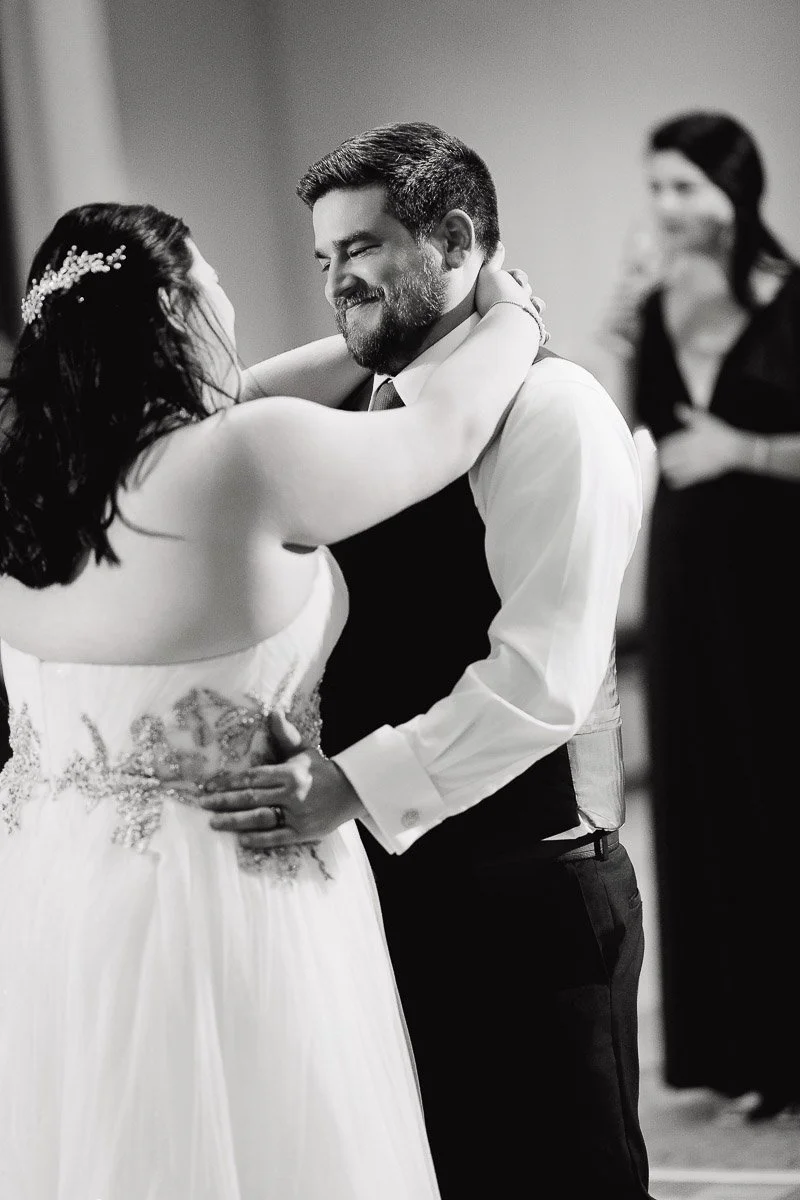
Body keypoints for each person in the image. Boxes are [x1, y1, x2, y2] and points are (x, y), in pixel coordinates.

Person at [0, 199, 547, 1197]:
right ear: (174, 302)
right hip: (232, 884)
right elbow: (447, 426)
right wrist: (507, 312)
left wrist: (379, 336)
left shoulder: (39, 475)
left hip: (59, 897)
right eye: (207, 275)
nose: (226, 291)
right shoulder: (245, 459)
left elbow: (240, 391)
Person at [201, 122, 649, 1199]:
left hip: (528, 890)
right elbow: (216, 407)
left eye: (360, 250)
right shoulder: (366, 409)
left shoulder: (552, 411)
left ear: (453, 240)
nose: (335, 282)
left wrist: (350, 785)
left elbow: (539, 677)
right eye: (321, 260)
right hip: (396, 882)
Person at [602, 110, 800, 1121]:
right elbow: (634, 438)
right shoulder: (647, 302)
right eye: (656, 187)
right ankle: (736, 1046)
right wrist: (621, 328)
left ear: (734, 189)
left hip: (777, 576)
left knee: (780, 790)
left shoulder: (789, 297)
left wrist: (746, 451)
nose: (668, 207)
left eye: (685, 185)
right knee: (706, 794)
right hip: (686, 577)